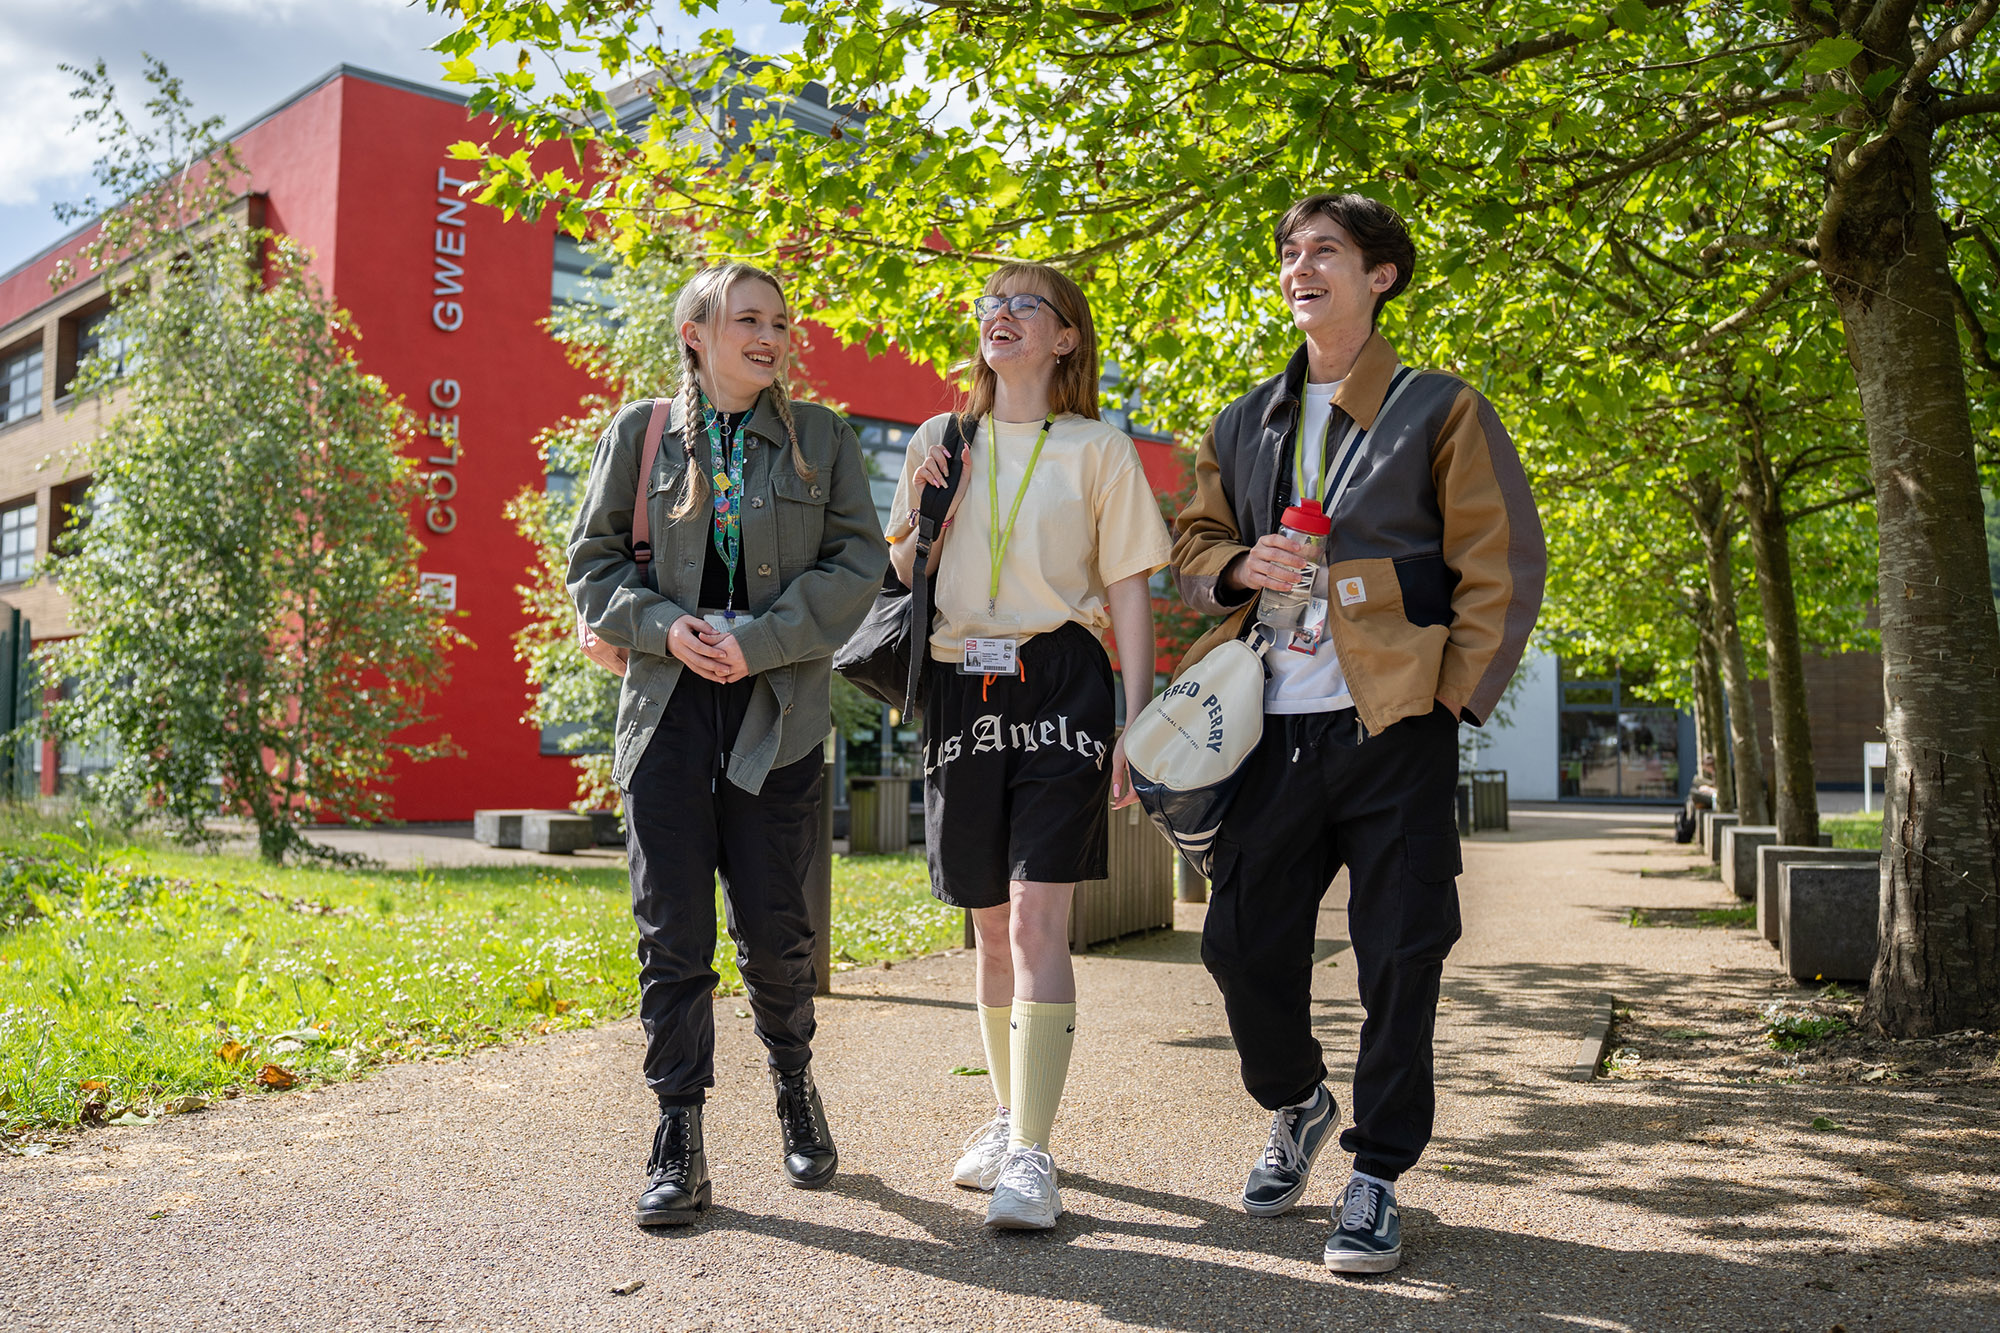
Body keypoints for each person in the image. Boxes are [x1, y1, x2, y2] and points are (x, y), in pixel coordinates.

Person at [1171, 194, 1545, 1272]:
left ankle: (1375, 1175)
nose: (1299, 266)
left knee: (1399, 955)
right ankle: (1294, 1102)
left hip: (1393, 727)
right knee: (1240, 945)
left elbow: (1500, 561)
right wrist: (1234, 566)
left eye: (1323, 251)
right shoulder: (1243, 421)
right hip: (1266, 731)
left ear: (1378, 275)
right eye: (1287, 252)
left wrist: (1449, 697)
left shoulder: (1439, 408)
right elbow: (1195, 537)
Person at [568, 262, 888, 1227]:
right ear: (696, 332)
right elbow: (589, 565)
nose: (770, 335)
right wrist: (665, 628)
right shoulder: (643, 433)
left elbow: (858, 565)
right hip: (665, 707)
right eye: (747, 318)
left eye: (780, 322)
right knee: (672, 932)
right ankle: (679, 1133)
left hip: (775, 709)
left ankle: (793, 1083)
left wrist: (754, 640)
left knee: (778, 930)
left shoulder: (821, 440)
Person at [886, 263, 1172, 1230]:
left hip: (1063, 682)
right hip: (963, 682)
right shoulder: (940, 439)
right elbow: (905, 572)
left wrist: (1137, 716)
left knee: (1038, 919)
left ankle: (1035, 1155)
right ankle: (1009, 1117)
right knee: (988, 924)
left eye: (1025, 305)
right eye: (990, 304)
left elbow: (1129, 587)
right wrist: (927, 519)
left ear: (1065, 339)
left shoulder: (1099, 448)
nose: (1000, 316)